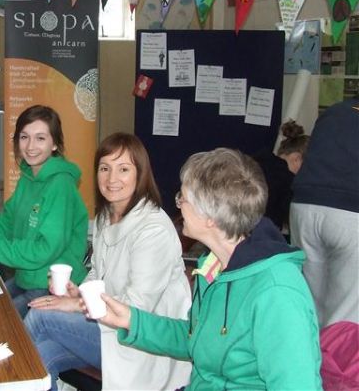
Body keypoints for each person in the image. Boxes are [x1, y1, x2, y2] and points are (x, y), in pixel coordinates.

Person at [93, 148, 322, 390]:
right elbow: (195, 338)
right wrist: (132, 320)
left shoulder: (277, 292)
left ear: (210, 217)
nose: (179, 205)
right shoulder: (214, 267)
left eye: (183, 198)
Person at [24, 133, 191, 391]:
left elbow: (138, 307)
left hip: (139, 342)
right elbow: (98, 275)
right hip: (107, 327)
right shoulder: (106, 216)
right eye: (105, 168)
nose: (112, 179)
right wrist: (79, 291)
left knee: (39, 317)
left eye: (123, 169)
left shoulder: (153, 228)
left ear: (140, 174)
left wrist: (77, 304)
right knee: (40, 356)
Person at [0, 105, 89, 317]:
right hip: (26, 279)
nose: (30, 146)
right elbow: (6, 223)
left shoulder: (61, 185)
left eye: (40, 138)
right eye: (24, 137)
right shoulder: (28, 178)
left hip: (51, 288)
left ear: (55, 144)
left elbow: (43, 250)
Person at [290, 97, 359, 327]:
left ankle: (307, 358)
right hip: (349, 213)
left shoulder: (335, 111)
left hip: (304, 208)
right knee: (347, 312)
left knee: (309, 302)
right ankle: (337, 361)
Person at [253, 120, 310, 231]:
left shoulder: (255, 162)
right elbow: (294, 222)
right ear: (296, 158)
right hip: (262, 237)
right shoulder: (286, 181)